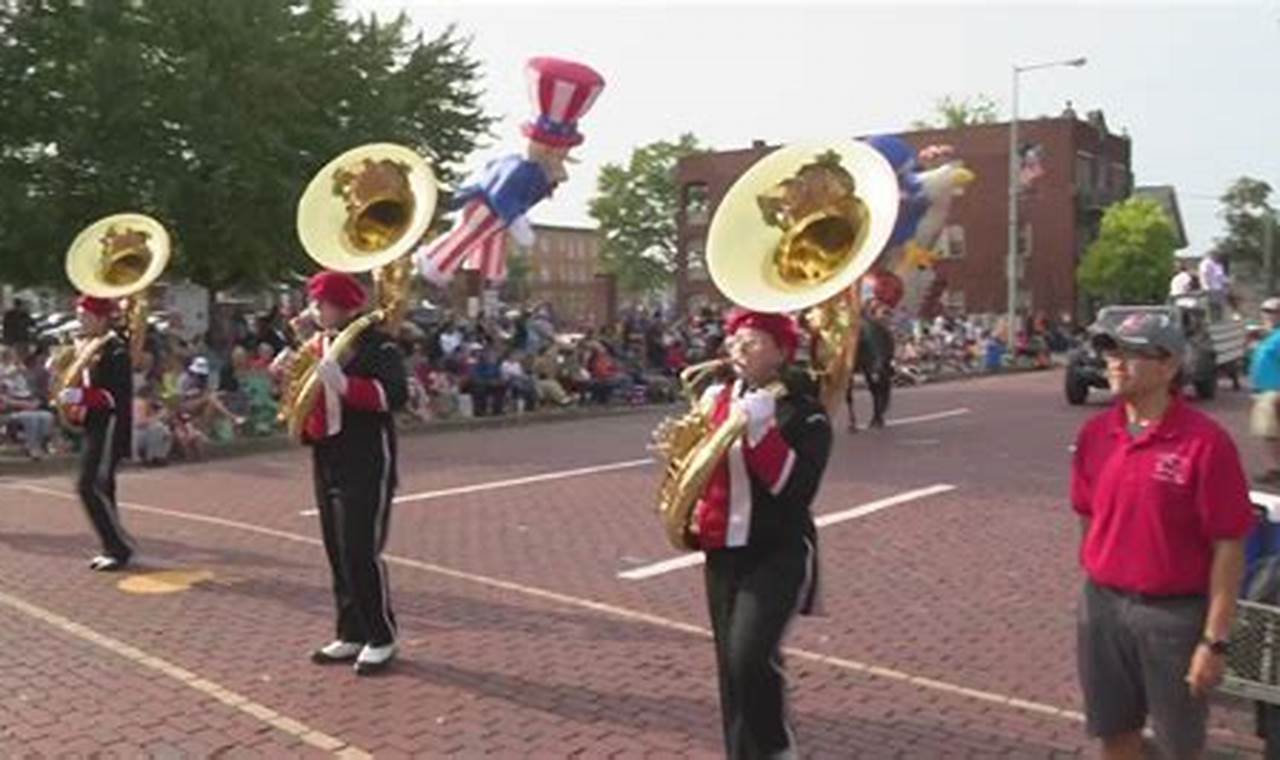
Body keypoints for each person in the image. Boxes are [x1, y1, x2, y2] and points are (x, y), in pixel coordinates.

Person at [1071, 310, 1255, 758]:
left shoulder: (1206, 443)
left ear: (1168, 365)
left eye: (1132, 353)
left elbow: (1229, 545)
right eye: (1111, 350)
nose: (1116, 362)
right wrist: (1098, 578)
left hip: (1174, 618)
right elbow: (1087, 516)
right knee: (1115, 733)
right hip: (1103, 609)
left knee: (1178, 744)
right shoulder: (1097, 434)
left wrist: (1214, 639)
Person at [694, 309, 832, 759]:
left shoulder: (804, 412)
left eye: (752, 341)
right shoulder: (715, 399)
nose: (738, 347)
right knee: (730, 672)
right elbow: (701, 477)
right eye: (735, 339)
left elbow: (793, 489)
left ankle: (776, 751)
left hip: (778, 551)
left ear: (780, 352)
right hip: (723, 551)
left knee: (750, 658)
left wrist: (761, 431)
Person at [300, 271, 407, 676]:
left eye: (321, 302)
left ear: (344, 305)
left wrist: (347, 386)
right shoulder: (319, 342)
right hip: (326, 453)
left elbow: (393, 395)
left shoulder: (379, 343)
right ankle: (351, 631)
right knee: (336, 548)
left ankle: (381, 635)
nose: (316, 309)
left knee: (360, 549)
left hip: (365, 456)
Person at [56, 296, 136, 571]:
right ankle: (113, 546)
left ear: (101, 318)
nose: (80, 321)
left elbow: (116, 396)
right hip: (94, 423)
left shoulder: (114, 350)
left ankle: (119, 545)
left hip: (110, 424)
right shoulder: (88, 346)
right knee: (102, 485)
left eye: (85, 316)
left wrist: (81, 395)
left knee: (88, 485)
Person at [1251, 297, 1280, 483]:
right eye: (1265, 310)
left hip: (1274, 391)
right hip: (1265, 391)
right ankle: (1275, 469)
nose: (1267, 314)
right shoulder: (1270, 335)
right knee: (1270, 434)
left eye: (1272, 311)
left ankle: (1276, 470)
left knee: (1271, 433)